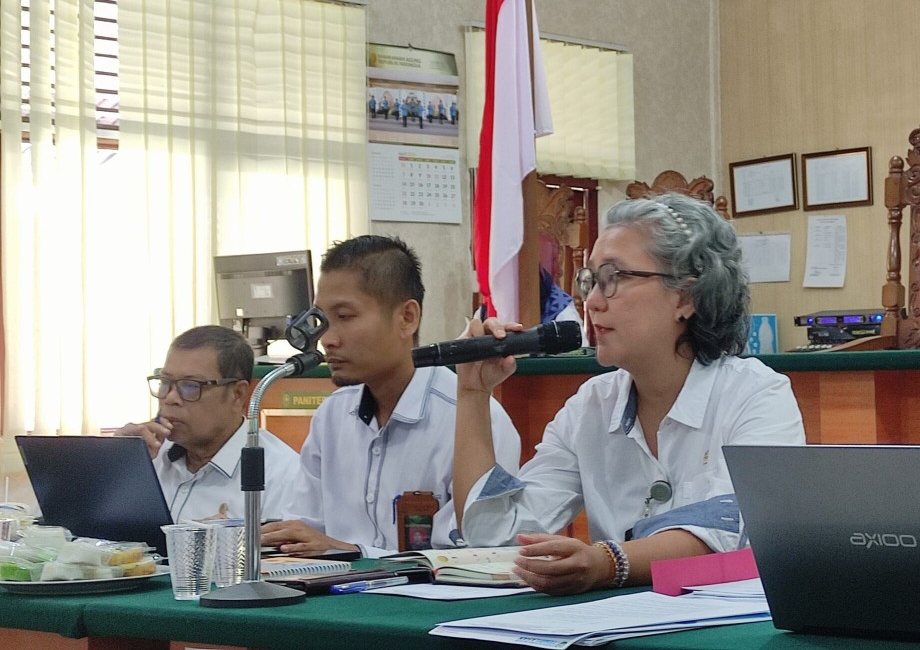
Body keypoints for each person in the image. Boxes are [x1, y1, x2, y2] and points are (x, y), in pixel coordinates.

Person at [452, 193, 806, 595]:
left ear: (685, 297)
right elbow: (496, 536)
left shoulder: (756, 393)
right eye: (590, 280)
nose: (592, 301)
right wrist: (472, 392)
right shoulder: (591, 405)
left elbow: (730, 532)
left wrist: (607, 563)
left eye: (613, 278)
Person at [263, 235, 520, 556]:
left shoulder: (474, 418)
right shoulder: (332, 415)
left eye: (345, 317)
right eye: (322, 320)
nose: (327, 339)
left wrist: (351, 551)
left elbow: (473, 557)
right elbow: (304, 529)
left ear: (407, 318)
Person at [117, 325, 299, 523]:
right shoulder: (149, 455)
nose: (170, 398)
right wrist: (116, 464)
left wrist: (206, 538)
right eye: (165, 382)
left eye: (190, 385)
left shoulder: (284, 476)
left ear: (237, 395)